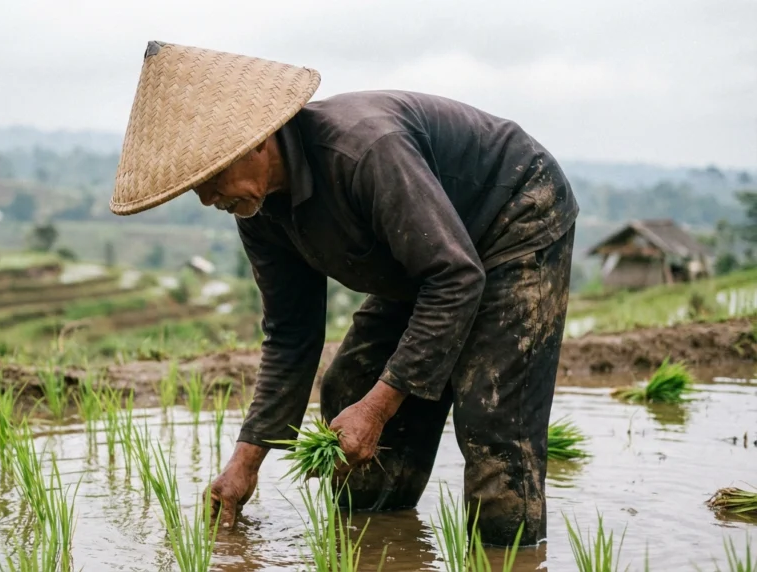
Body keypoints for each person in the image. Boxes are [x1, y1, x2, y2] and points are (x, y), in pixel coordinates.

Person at [109, 40, 578, 546]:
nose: (206, 199)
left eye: (212, 177)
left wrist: (378, 408)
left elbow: (455, 278)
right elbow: (291, 335)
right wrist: (244, 465)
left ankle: (510, 551)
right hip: (427, 263)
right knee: (349, 387)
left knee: (491, 420)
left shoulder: (364, 151)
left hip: (513, 218)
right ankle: (379, 540)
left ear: (258, 142)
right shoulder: (259, 210)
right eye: (195, 188)